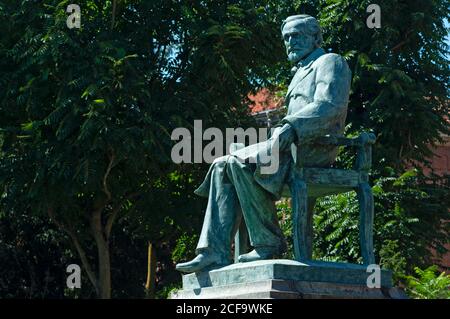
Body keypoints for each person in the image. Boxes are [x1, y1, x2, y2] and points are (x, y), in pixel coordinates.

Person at [176, 14, 351, 273]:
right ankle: (214, 251)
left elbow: (329, 107)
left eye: (297, 35)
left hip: (315, 148)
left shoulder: (330, 62)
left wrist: (291, 127)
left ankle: (268, 243)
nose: (290, 42)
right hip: (290, 147)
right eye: (287, 38)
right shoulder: (300, 72)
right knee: (225, 163)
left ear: (316, 37)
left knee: (239, 162)